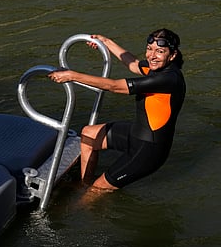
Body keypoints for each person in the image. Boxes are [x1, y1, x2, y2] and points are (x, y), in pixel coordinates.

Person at [48, 28, 186, 190]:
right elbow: (133, 64)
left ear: (173, 55)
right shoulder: (157, 68)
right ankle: (84, 184)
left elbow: (114, 86)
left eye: (160, 51)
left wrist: (71, 75)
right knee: (88, 134)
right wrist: (105, 42)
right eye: (150, 49)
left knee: (98, 190)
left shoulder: (168, 79)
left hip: (149, 152)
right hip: (136, 133)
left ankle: (89, 198)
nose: (152, 56)